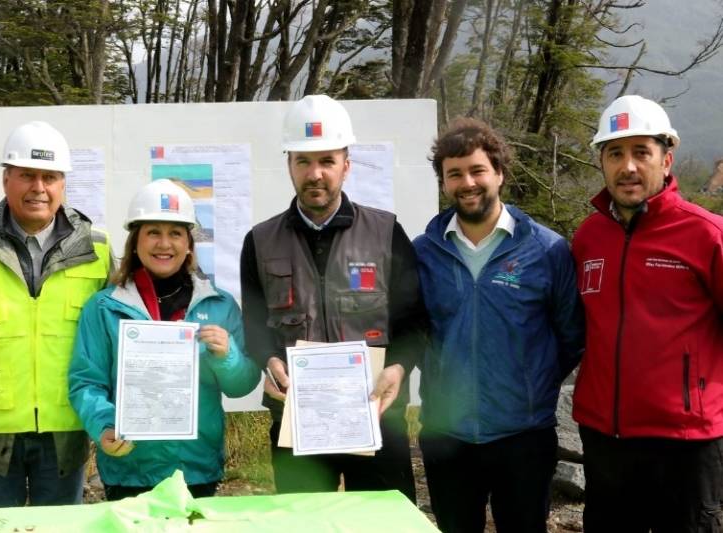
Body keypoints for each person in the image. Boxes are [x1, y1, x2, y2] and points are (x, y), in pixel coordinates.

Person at [239, 94, 426, 501]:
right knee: (305, 525)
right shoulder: (259, 241)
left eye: (327, 161)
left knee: (383, 528)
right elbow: (253, 327)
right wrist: (268, 361)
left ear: (346, 164)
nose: (315, 174)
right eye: (303, 161)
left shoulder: (386, 233)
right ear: (289, 164)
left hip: (376, 416)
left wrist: (398, 369)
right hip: (298, 421)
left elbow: (415, 321)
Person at [412, 118, 583, 533]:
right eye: (455, 174)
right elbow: (416, 333)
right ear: (443, 183)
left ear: (499, 173)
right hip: (445, 434)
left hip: (523, 435)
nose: (467, 182)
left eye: (477, 170)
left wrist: (528, 385)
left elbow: (570, 337)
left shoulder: (547, 249)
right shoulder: (423, 253)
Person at [572, 95, 723, 531]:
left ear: (666, 159)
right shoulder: (589, 237)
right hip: (606, 438)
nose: (629, 166)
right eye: (615, 153)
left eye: (642, 152)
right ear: (602, 162)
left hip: (686, 442)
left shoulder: (705, 234)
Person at [0, 121, 111, 508]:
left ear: (63, 184)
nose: (39, 187)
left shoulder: (98, 250)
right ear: (6, 180)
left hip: (66, 422)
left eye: (49, 177)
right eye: (27, 176)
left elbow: (117, 333)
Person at [69, 179, 260, 499]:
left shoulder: (220, 305)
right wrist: (104, 427)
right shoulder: (103, 308)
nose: (164, 243)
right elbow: (86, 382)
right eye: (153, 232)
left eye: (175, 233)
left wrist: (228, 357)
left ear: (189, 243)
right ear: (136, 241)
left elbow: (241, 385)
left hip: (195, 467)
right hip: (129, 467)